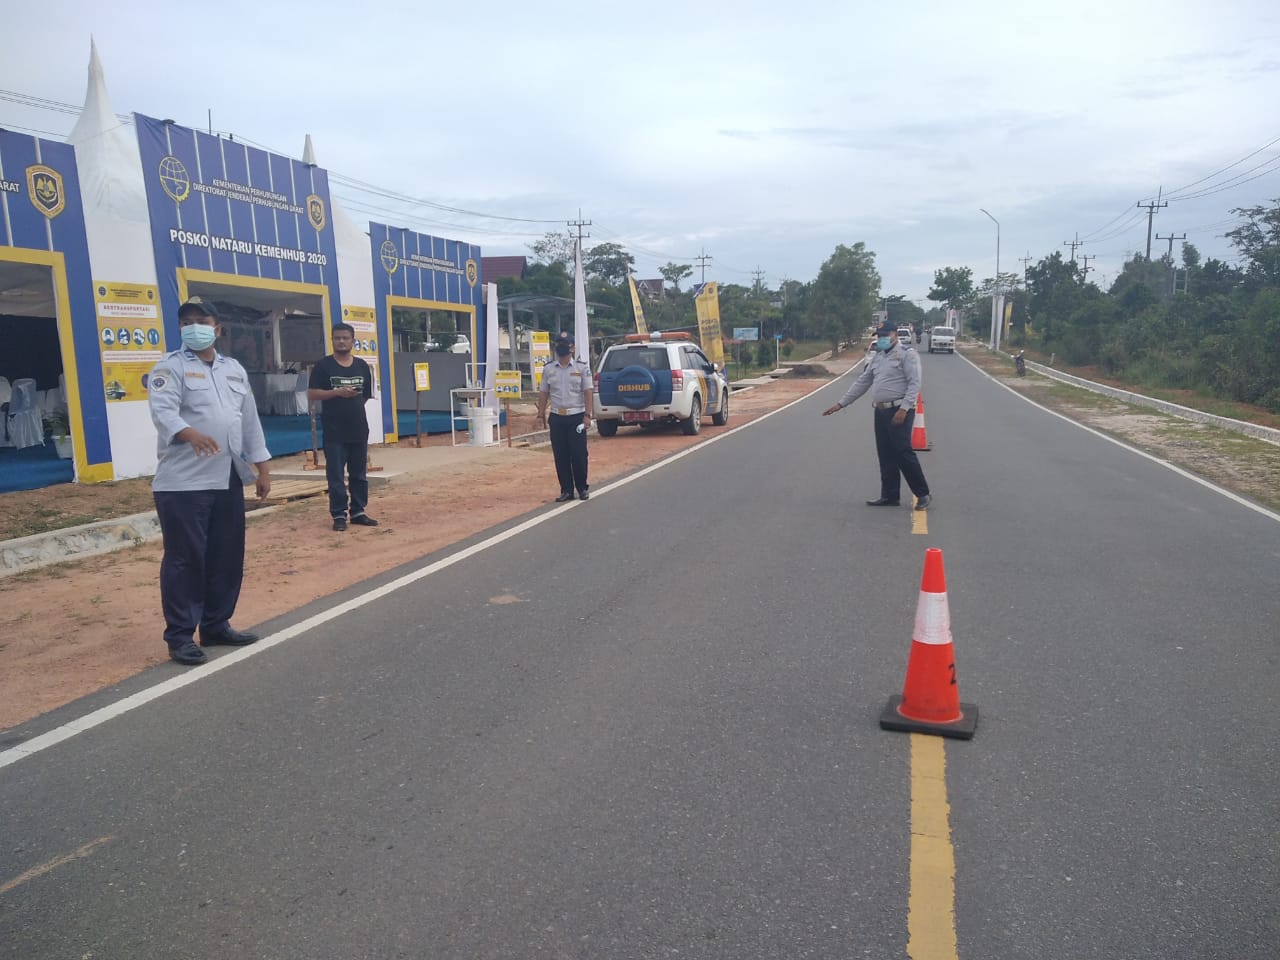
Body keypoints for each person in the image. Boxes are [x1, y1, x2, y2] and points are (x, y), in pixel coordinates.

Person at [147, 296, 272, 666]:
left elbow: (249, 421)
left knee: (226, 557)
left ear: (217, 329)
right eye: (187, 321)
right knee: (186, 560)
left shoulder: (234, 370)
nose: (194, 327)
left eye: (201, 320)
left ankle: (216, 623)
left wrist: (262, 466)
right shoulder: (170, 368)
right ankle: (181, 636)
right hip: (184, 483)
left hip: (227, 478)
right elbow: (162, 412)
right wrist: (189, 434)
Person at [822, 319, 932, 510]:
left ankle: (922, 493)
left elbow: (914, 383)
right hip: (880, 411)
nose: (881, 339)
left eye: (885, 335)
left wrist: (904, 409)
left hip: (899, 410)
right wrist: (841, 403)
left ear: (895, 335)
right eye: (879, 336)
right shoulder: (879, 357)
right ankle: (889, 495)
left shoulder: (908, 355)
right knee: (886, 454)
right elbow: (863, 382)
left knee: (903, 452)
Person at [307, 322, 377, 531]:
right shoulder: (324, 366)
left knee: (359, 474)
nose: (341, 341)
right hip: (334, 432)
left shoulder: (362, 366)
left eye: (345, 338)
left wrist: (351, 402)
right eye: (337, 338)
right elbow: (312, 394)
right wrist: (337, 393)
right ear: (332, 340)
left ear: (353, 341)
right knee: (336, 475)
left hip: (358, 430)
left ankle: (358, 511)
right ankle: (339, 515)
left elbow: (365, 395)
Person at [535, 330, 593, 501]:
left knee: (578, 454)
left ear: (572, 348)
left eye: (565, 344)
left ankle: (582, 488)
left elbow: (588, 391)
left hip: (576, 417)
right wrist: (540, 415)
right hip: (557, 417)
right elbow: (544, 393)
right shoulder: (548, 369)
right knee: (560, 455)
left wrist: (588, 415)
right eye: (558, 344)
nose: (561, 347)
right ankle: (566, 490)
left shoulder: (581, 368)